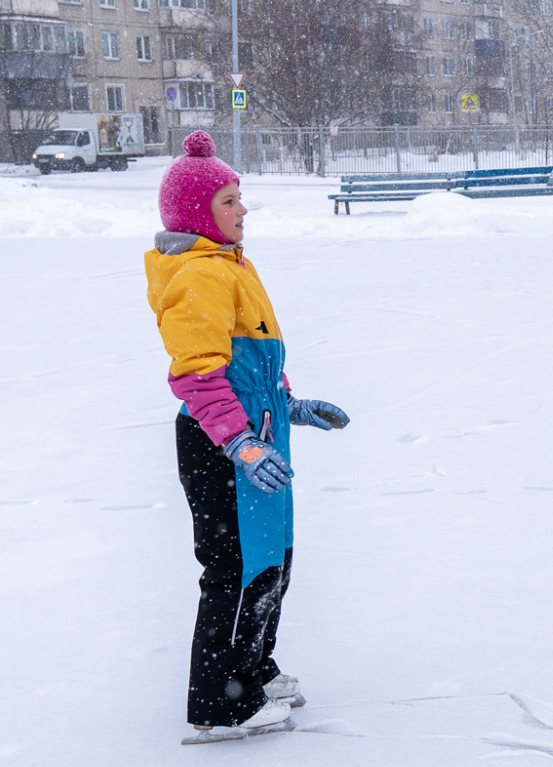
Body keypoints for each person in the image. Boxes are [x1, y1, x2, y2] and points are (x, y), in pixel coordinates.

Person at [145, 131, 350, 740]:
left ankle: (252, 670)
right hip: (221, 445)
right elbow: (197, 374)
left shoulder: (230, 266)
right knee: (235, 570)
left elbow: (251, 363)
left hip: (255, 435)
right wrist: (239, 442)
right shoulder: (199, 275)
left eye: (241, 197)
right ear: (197, 214)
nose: (242, 210)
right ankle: (221, 703)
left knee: (272, 562)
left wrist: (289, 406)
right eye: (228, 201)